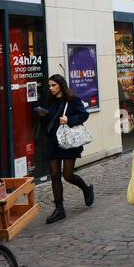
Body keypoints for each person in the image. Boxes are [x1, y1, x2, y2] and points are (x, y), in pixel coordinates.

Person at [38, 74, 94, 223]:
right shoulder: (47, 100)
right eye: (49, 86)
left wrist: (69, 120)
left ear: (61, 85)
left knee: (68, 175)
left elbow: (84, 115)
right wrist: (42, 115)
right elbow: (46, 120)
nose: (50, 88)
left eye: (53, 85)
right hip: (52, 141)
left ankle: (86, 189)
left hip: (68, 142)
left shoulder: (72, 100)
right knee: (54, 174)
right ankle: (59, 209)